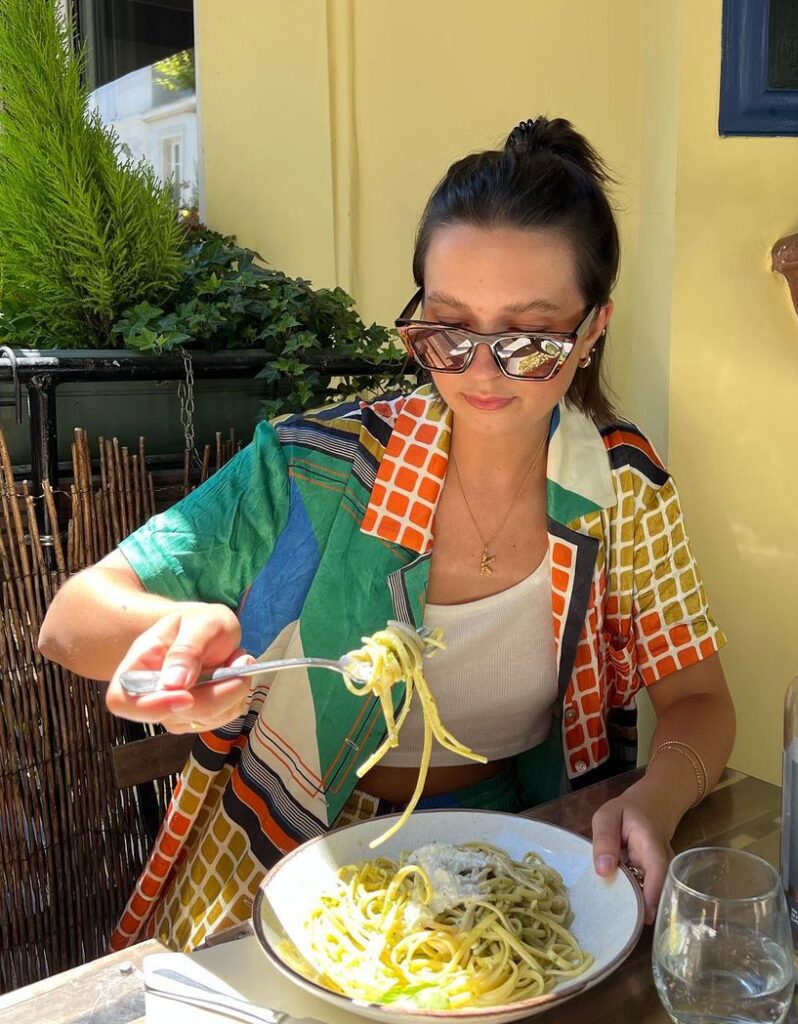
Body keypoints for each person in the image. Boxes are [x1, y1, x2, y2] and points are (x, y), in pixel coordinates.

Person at [39, 115, 735, 953]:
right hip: (283, 851)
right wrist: (170, 638)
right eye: (446, 327)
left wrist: (654, 799)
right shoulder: (313, 466)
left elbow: (697, 701)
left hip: (515, 848)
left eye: (527, 338)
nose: (477, 371)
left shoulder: (620, 487)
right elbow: (72, 620)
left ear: (590, 332)